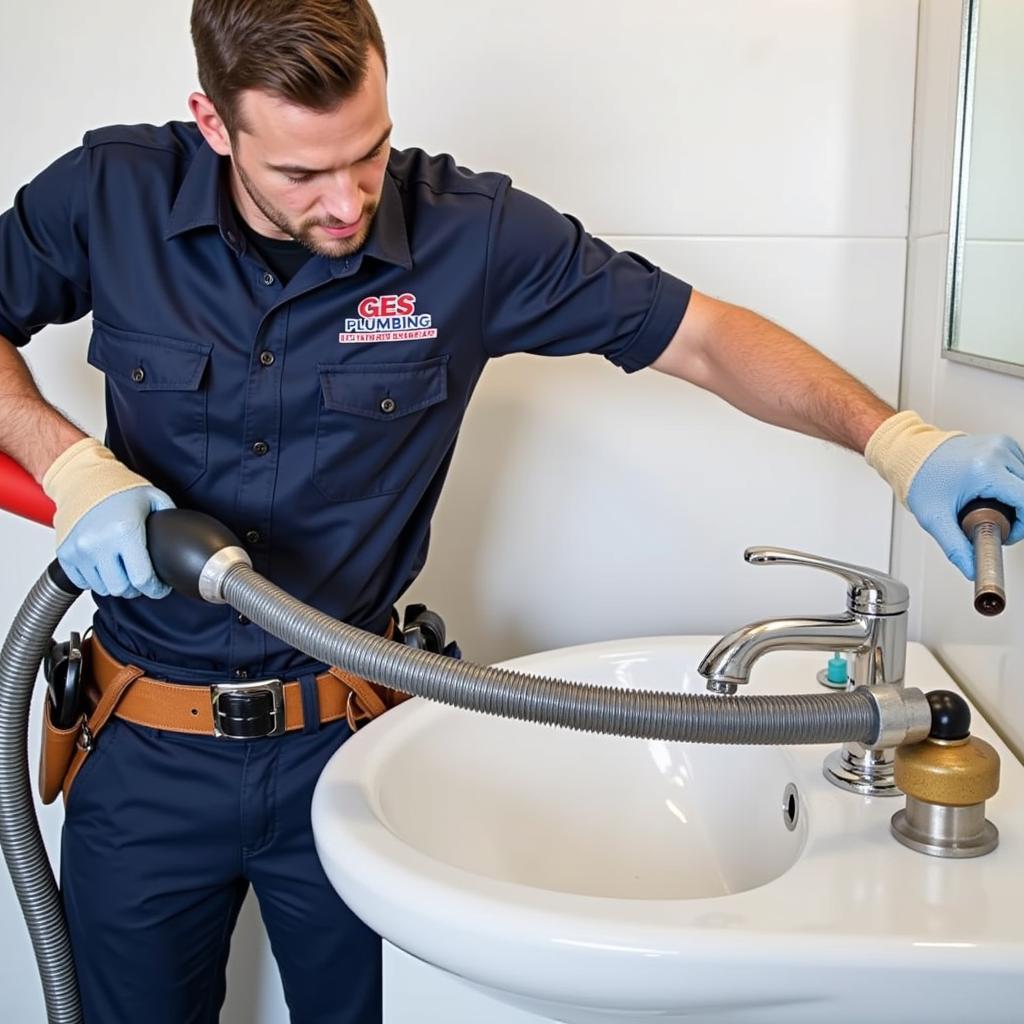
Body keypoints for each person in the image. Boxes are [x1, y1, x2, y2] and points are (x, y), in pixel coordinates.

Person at [1, 1, 1022, 1021]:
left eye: (368, 153)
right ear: (214, 124)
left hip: (353, 745)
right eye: (300, 176)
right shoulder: (111, 193)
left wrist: (898, 442)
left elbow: (704, 337)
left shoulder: (468, 232)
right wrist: (71, 460)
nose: (349, 201)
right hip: (141, 745)